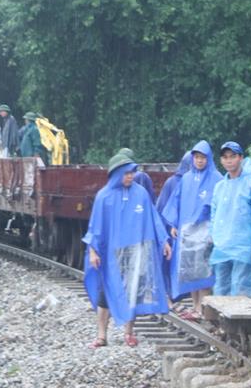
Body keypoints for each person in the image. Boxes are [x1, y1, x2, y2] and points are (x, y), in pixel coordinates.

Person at [81, 149, 173, 346]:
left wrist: (164, 241)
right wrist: (93, 251)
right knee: (105, 295)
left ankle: (129, 333)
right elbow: (95, 227)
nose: (130, 176)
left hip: (135, 253)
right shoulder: (103, 197)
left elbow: (153, 219)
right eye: (126, 172)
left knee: (133, 293)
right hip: (110, 256)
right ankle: (101, 335)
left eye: (132, 172)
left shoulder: (140, 194)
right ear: (116, 174)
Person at [158, 141, 219, 317]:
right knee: (189, 272)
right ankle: (195, 306)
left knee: (204, 273)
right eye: (197, 157)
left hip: (205, 233)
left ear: (209, 159)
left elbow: (219, 207)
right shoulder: (186, 178)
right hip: (186, 233)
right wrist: (174, 225)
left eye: (203, 158)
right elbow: (175, 202)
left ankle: (203, 308)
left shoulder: (217, 179)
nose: (199, 161)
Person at [210, 142, 251, 298]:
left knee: (240, 284)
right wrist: (211, 237)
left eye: (233, 156)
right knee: (220, 286)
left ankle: (239, 321)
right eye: (225, 157)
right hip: (221, 244)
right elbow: (214, 214)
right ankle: (220, 321)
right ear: (221, 160)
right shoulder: (219, 187)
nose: (229, 161)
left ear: (241, 158)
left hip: (243, 243)